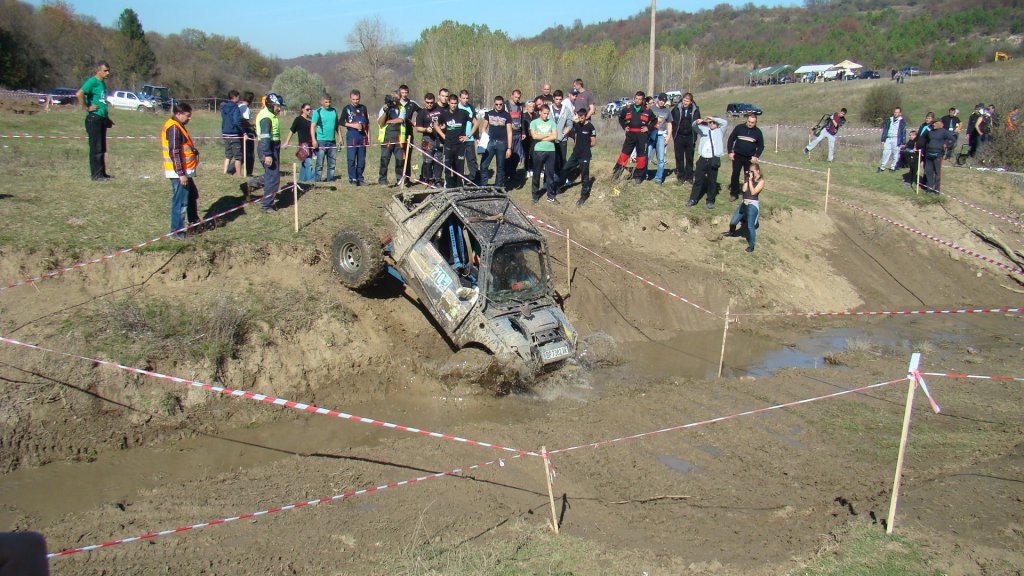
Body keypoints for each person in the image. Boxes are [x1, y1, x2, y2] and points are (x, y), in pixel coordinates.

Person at [162, 101, 200, 239]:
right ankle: (177, 232)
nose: (190, 118)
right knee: (180, 202)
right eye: (187, 115)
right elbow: (175, 152)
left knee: (192, 195)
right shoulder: (174, 128)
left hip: (184, 171)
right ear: (178, 114)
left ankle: (194, 223)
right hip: (179, 173)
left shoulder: (178, 125)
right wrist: (181, 174)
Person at [247, 92, 286, 213]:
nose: (279, 109)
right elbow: (265, 137)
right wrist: (268, 154)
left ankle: (253, 183)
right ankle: (266, 205)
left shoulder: (270, 114)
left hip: (272, 146)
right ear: (271, 105)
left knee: (271, 175)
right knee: (273, 177)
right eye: (277, 106)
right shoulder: (266, 118)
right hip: (268, 148)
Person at [76, 61, 113, 181]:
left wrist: (107, 118)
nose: (107, 73)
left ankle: (102, 173)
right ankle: (96, 175)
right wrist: (87, 107)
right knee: (96, 147)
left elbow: (101, 101)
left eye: (108, 70)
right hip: (94, 118)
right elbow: (79, 94)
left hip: (101, 118)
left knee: (101, 147)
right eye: (105, 70)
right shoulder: (92, 81)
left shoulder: (102, 83)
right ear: (98, 71)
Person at [612, 91, 657, 183]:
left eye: (640, 99)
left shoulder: (647, 110)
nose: (637, 100)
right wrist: (624, 126)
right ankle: (616, 174)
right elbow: (621, 118)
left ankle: (638, 176)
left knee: (641, 157)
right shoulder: (628, 109)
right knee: (624, 155)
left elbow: (654, 121)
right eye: (636, 98)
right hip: (630, 135)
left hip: (642, 136)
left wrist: (648, 128)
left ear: (643, 100)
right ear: (634, 98)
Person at [557, 107, 597, 206]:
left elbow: (593, 142)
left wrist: (585, 146)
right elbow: (572, 128)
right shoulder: (577, 125)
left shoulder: (590, 127)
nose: (580, 119)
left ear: (586, 116)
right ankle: (560, 186)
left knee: (584, 175)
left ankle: (584, 195)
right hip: (575, 154)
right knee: (565, 169)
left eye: (582, 117)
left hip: (585, 155)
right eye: (579, 117)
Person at [687, 115, 728, 209]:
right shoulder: (704, 130)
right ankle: (693, 199)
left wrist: (713, 118)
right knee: (698, 180)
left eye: (714, 123)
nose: (712, 124)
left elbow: (725, 123)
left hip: (713, 159)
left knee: (712, 181)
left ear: (717, 124)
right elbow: (694, 126)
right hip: (702, 158)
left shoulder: (720, 131)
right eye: (710, 122)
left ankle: (710, 200)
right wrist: (697, 122)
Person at [724, 161, 764, 253]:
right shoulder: (748, 178)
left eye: (753, 171)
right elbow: (744, 189)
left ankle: (751, 245)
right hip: (744, 203)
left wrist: (750, 181)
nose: (751, 173)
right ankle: (731, 232)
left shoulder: (761, 181)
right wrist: (747, 179)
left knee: (750, 226)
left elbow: (753, 192)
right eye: (750, 171)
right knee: (733, 222)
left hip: (752, 204)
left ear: (758, 171)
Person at [433, 92, 471, 188]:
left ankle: (460, 186)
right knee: (447, 166)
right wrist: (443, 135)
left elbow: (476, 123)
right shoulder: (444, 113)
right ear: (449, 103)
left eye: (455, 103)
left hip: (460, 145)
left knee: (459, 167)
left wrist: (468, 136)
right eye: (452, 103)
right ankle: (447, 185)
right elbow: (435, 125)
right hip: (448, 144)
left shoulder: (463, 113)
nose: (453, 105)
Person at [726, 113, 764, 200]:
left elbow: (761, 146)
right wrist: (730, 152)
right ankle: (734, 194)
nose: (750, 124)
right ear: (747, 120)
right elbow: (731, 139)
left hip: (749, 158)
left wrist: (756, 156)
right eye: (749, 121)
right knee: (735, 174)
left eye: (752, 122)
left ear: (756, 122)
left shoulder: (758, 132)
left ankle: (746, 193)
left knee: (748, 176)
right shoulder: (739, 128)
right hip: (737, 156)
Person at [479, 96, 513, 188]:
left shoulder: (507, 115)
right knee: (484, 164)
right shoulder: (489, 114)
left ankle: (498, 187)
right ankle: (483, 186)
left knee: (500, 166)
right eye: (497, 104)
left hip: (502, 143)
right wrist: (483, 139)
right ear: (494, 104)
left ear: (503, 104)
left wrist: (509, 148)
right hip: (490, 142)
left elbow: (509, 132)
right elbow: (483, 128)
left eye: (500, 104)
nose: (498, 106)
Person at [530, 104, 559, 203]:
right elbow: (534, 136)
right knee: (536, 173)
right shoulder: (534, 123)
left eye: (547, 114)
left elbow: (554, 136)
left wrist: (541, 137)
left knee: (550, 174)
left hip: (551, 150)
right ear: (540, 112)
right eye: (544, 113)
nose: (546, 115)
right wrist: (547, 134)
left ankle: (550, 195)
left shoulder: (552, 123)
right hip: (538, 150)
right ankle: (535, 195)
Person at [414, 92, 444, 186]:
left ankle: (437, 180)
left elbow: (445, 122)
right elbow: (418, 128)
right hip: (426, 139)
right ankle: (428, 179)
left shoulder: (440, 110)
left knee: (438, 160)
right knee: (427, 160)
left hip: (438, 139)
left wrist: (442, 127)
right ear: (424, 102)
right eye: (427, 102)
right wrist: (426, 129)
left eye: (431, 102)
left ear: (434, 101)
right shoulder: (421, 113)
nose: (429, 104)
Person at [310, 94, 341, 182]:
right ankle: (317, 180)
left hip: (332, 141)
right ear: (321, 102)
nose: (328, 104)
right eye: (326, 102)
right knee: (320, 163)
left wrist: (340, 137)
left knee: (332, 163)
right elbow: (312, 126)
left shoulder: (334, 111)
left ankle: (330, 179)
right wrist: (314, 140)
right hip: (321, 141)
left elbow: (337, 125)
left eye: (329, 102)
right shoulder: (317, 112)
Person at [671, 92, 700, 183]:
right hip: (679, 136)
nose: (685, 102)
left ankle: (689, 176)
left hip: (690, 136)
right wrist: (673, 134)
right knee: (679, 157)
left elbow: (697, 123)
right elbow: (671, 121)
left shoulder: (695, 110)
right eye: (684, 100)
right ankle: (681, 176)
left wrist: (695, 135)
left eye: (687, 101)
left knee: (689, 157)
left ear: (691, 102)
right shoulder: (676, 108)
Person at [342, 90, 369, 185]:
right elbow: (341, 122)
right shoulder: (347, 109)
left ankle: (360, 178)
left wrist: (368, 137)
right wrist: (353, 125)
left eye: (357, 99)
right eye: (353, 99)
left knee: (361, 160)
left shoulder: (363, 108)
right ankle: (353, 178)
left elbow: (367, 123)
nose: (355, 101)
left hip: (362, 137)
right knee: (351, 159)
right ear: (350, 98)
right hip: (352, 136)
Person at [377, 91, 404, 186]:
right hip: (387, 137)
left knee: (400, 159)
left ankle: (399, 179)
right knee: (384, 159)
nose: (396, 101)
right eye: (394, 99)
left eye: (397, 99)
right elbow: (381, 123)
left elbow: (400, 120)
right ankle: (382, 179)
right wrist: (385, 112)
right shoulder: (384, 108)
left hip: (399, 137)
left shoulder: (401, 108)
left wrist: (388, 121)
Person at [283, 102, 315, 183]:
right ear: (302, 110)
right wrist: (286, 142)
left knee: (305, 162)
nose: (309, 111)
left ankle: (301, 180)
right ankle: (311, 181)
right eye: (307, 109)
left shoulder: (311, 120)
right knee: (308, 163)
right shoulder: (298, 119)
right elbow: (291, 131)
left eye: (310, 109)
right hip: (303, 144)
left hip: (310, 144)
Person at [646, 93, 673, 184]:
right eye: (660, 100)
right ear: (658, 99)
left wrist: (668, 137)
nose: (662, 102)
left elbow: (669, 124)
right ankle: (644, 175)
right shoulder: (651, 108)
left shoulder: (667, 111)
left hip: (661, 135)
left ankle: (658, 178)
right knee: (647, 156)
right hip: (651, 134)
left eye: (664, 101)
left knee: (661, 159)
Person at [920, 119, 953, 192]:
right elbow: (923, 138)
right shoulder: (930, 131)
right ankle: (929, 187)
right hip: (928, 153)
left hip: (938, 154)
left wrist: (946, 145)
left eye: (935, 123)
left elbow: (952, 139)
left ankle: (937, 189)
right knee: (928, 171)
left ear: (940, 124)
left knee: (937, 172)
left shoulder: (944, 131)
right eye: (933, 123)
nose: (934, 124)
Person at [458, 90, 480, 182]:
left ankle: (474, 178)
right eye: (463, 98)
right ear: (459, 98)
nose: (465, 100)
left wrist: (476, 137)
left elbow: (475, 123)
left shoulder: (471, 108)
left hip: (469, 138)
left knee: (471, 159)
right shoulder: (456, 107)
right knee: (459, 160)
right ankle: (459, 178)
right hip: (459, 139)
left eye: (467, 98)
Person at [220, 90, 244, 176]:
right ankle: (239, 174)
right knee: (238, 156)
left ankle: (224, 172)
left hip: (225, 132)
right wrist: (243, 131)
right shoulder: (235, 107)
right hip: (234, 133)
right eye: (238, 97)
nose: (239, 99)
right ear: (234, 97)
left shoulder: (224, 107)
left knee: (228, 155)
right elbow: (236, 121)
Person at [550, 90, 574, 175]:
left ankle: (563, 176)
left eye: (560, 99)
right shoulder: (549, 109)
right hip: (550, 139)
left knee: (562, 158)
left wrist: (563, 134)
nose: (558, 101)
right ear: (553, 98)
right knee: (552, 158)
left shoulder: (566, 110)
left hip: (562, 139)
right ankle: (553, 175)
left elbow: (569, 125)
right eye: (556, 99)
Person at [878, 107, 907, 172]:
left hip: (896, 139)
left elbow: (903, 131)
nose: (895, 113)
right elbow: (885, 129)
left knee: (895, 154)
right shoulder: (890, 119)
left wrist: (903, 142)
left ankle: (893, 167)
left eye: (897, 112)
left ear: (900, 113)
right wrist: (883, 139)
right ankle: (882, 167)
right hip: (888, 138)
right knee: (885, 153)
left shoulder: (902, 121)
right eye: (895, 112)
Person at [506, 89, 525, 184]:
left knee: (516, 156)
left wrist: (523, 132)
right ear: (511, 96)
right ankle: (506, 174)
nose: (517, 99)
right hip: (508, 134)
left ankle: (513, 174)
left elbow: (522, 120)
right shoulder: (506, 105)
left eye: (518, 97)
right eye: (515, 97)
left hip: (518, 133)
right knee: (508, 155)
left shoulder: (520, 107)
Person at [239, 92, 256, 177]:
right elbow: (244, 121)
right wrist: (253, 125)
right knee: (249, 154)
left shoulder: (238, 106)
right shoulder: (245, 108)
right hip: (247, 133)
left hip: (240, 132)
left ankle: (231, 170)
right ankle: (248, 172)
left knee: (242, 154)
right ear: (251, 100)